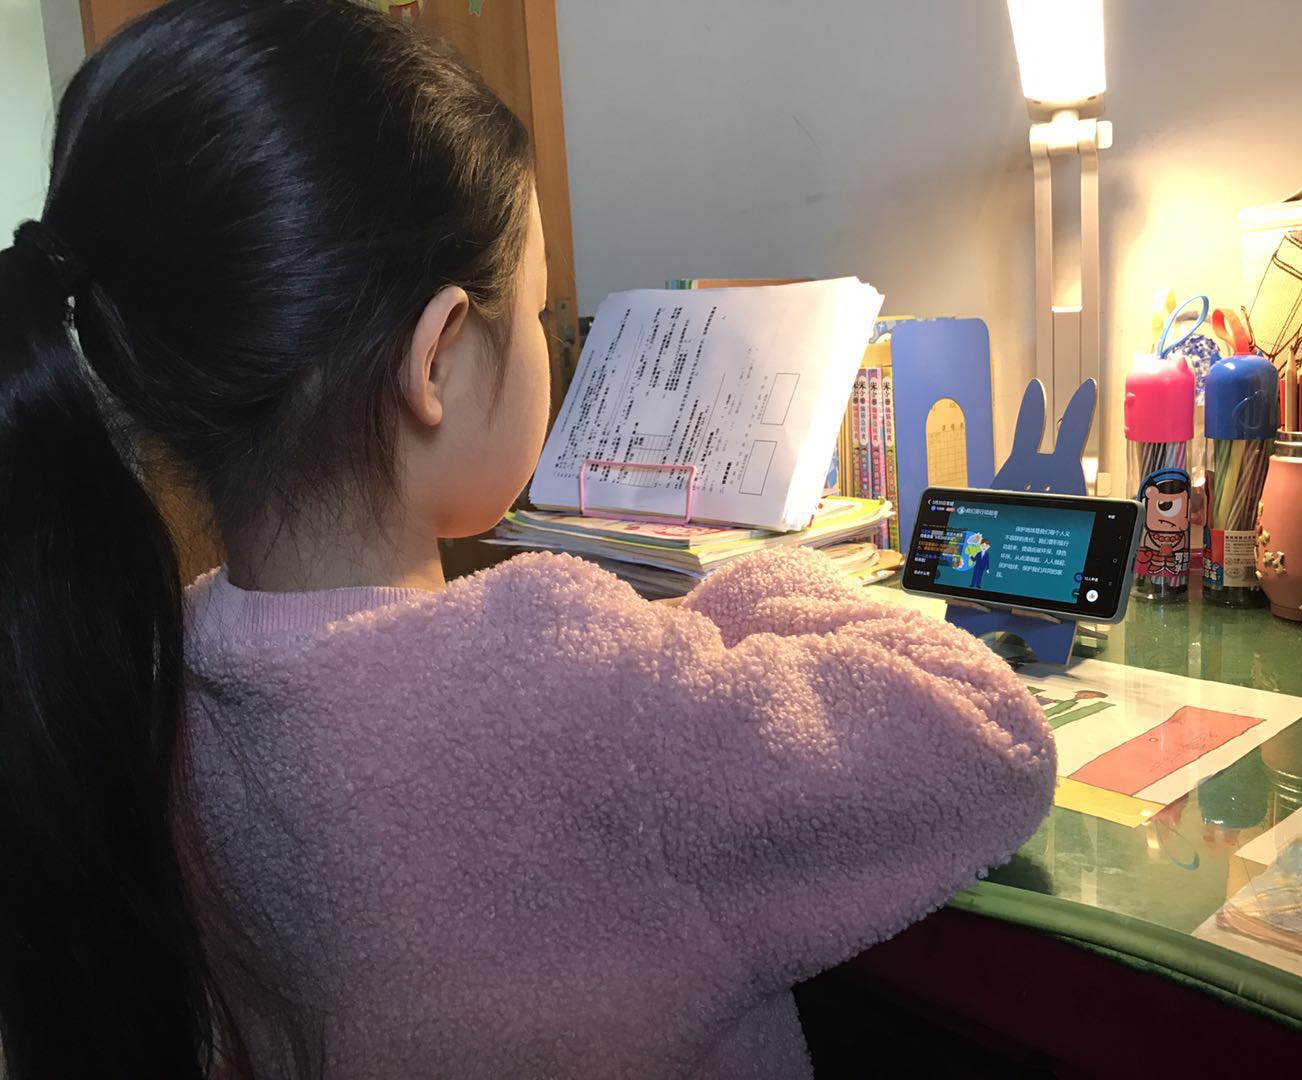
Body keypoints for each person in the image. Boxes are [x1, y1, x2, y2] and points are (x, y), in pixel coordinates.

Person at [0, 2, 1056, 1077]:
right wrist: (753, 590)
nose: (552, 347)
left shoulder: (161, 674)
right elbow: (990, 745)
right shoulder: (561, 672)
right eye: (545, 318)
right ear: (437, 361)